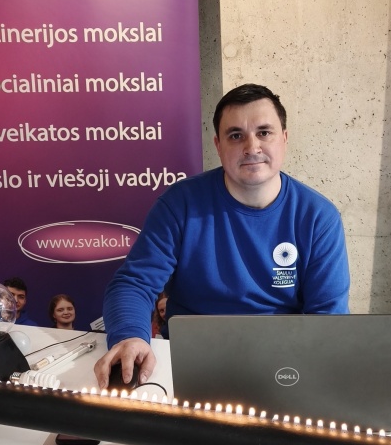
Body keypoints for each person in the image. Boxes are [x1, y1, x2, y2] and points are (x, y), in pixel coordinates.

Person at [94, 83, 350, 388]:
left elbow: (327, 319)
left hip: (282, 365)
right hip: (190, 362)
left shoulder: (318, 217)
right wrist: (130, 336)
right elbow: (134, 283)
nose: (252, 147)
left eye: (264, 132)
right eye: (236, 135)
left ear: (284, 138)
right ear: (218, 145)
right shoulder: (180, 204)